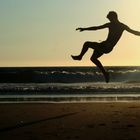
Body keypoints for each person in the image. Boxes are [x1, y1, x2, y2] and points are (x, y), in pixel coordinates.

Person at [71, 11, 140, 83]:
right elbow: (96, 28)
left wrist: (84, 29)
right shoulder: (116, 25)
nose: (109, 19)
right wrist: (85, 29)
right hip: (106, 46)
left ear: (113, 17)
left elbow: (134, 32)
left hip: (106, 47)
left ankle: (80, 57)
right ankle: (105, 74)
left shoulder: (119, 26)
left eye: (109, 18)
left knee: (87, 43)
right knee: (93, 58)